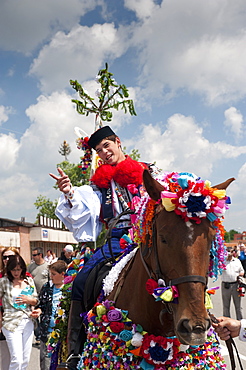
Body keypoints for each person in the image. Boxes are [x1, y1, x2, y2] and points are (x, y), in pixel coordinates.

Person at [50, 125, 157, 365]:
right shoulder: (101, 184)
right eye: (99, 150)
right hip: (117, 242)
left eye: (106, 146)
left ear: (118, 142)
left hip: (147, 237)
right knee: (80, 282)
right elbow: (80, 202)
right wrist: (68, 192)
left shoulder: (148, 171)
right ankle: (76, 349)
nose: (104, 152)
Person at [0, 255, 38, 370]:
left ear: (22, 268)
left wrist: (29, 301)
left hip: (27, 320)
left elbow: (36, 300)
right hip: (10, 322)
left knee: (25, 359)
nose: (16, 272)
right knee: (17, 359)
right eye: (13, 269)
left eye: (18, 269)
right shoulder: (3, 282)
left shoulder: (29, 280)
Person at [31, 260, 67, 370]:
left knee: (61, 362)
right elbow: (41, 304)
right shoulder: (47, 287)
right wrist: (39, 311)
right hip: (47, 331)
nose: (51, 277)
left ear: (62, 274)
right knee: (46, 361)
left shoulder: (69, 288)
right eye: (50, 274)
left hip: (63, 333)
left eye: (54, 274)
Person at [27, 247, 49, 345]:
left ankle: (44, 334)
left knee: (44, 315)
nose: (33, 257)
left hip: (44, 296)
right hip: (33, 296)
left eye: (35, 255)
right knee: (34, 316)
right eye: (32, 255)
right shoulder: (31, 267)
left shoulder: (47, 267)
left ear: (40, 255)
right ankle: (38, 336)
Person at [221, 248, 245, 320]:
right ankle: (227, 320)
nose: (229, 253)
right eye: (227, 252)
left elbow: (242, 270)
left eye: (231, 252)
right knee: (226, 305)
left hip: (236, 285)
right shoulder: (222, 262)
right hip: (226, 285)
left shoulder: (237, 261)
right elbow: (219, 270)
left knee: (238, 305)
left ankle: (240, 320)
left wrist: (241, 274)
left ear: (233, 252)